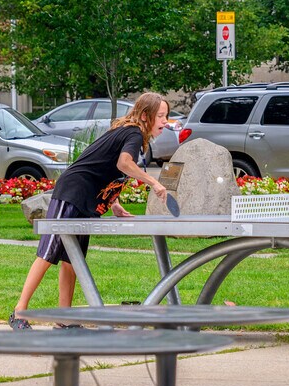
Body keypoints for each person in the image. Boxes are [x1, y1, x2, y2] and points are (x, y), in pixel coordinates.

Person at [9, 92, 169, 330]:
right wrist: (153, 182)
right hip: (72, 192)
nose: (166, 121)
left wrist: (113, 203)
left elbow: (106, 166)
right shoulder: (133, 132)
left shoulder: (130, 132)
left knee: (72, 260)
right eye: (161, 116)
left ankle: (64, 317)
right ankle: (19, 312)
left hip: (86, 200)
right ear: (146, 116)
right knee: (47, 254)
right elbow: (123, 163)